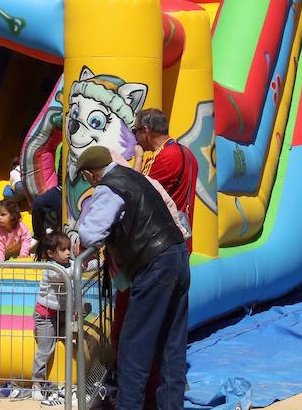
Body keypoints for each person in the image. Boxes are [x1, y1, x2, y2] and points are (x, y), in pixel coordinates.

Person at [75, 146, 189, 410]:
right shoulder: (135, 177)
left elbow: (91, 234)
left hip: (154, 263)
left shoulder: (109, 187)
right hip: (177, 254)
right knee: (172, 344)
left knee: (133, 345)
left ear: (92, 175)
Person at [133, 108, 198, 244]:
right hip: (181, 238)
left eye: (135, 132)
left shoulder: (163, 157)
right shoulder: (187, 153)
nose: (136, 138)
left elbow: (134, 191)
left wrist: (138, 158)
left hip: (164, 242)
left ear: (146, 131)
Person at [32, 231, 72, 405]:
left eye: (69, 248)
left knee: (71, 336)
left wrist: (93, 262)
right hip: (46, 316)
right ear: (51, 253)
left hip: (62, 312)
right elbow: (65, 275)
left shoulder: (68, 263)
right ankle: (37, 383)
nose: (68, 252)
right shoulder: (51, 269)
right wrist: (82, 265)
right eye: (63, 249)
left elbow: (78, 267)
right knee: (45, 349)